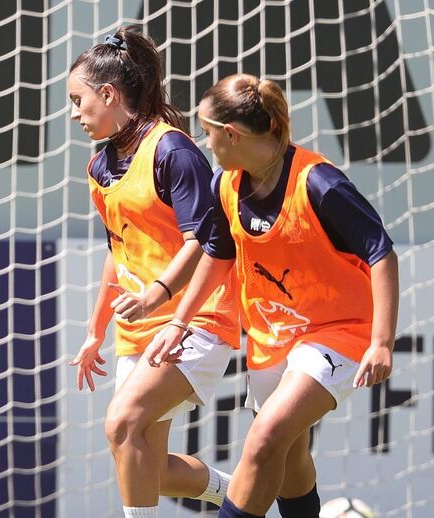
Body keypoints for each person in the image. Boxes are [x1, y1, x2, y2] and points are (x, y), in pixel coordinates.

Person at [145, 73, 398, 518]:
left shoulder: (320, 183)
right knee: (290, 454)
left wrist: (381, 341)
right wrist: (178, 321)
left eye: (207, 132)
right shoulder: (225, 185)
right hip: (271, 337)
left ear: (231, 134)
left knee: (265, 438)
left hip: (339, 331)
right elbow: (218, 256)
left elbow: (381, 253)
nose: (205, 144)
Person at [66, 26, 241, 518]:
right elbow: (117, 253)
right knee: (146, 465)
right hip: (139, 331)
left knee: (122, 424)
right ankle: (242, 491)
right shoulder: (100, 167)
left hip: (196, 318)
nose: (74, 114)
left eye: (78, 101)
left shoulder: (172, 150)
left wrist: (157, 295)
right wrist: (94, 331)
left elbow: (204, 242)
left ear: (108, 94)